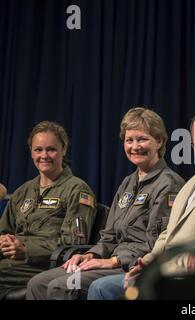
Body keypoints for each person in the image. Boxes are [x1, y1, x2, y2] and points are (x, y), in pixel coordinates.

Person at [26, 107, 185, 300]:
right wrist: (92, 255)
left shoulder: (168, 183)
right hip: (112, 261)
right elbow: (109, 235)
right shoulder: (128, 182)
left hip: (136, 266)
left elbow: (157, 242)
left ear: (159, 141)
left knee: (62, 286)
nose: (135, 146)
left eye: (142, 139)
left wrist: (113, 261)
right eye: (129, 140)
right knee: (38, 283)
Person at [87, 109, 195, 300]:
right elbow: (168, 232)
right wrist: (148, 262)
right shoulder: (194, 181)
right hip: (162, 266)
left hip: (191, 271)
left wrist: (164, 266)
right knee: (97, 287)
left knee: (100, 288)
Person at [0, 121, 96, 299]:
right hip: (13, 262)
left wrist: (26, 250)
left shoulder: (77, 190)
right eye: (38, 150)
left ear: (64, 149)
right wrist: (4, 240)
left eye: (51, 149)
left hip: (47, 265)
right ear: (31, 151)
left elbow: (74, 244)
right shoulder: (23, 191)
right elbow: (4, 230)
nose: (44, 155)